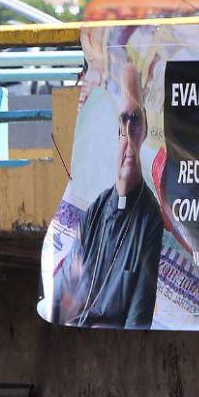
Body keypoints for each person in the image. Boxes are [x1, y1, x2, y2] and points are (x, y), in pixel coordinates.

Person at [52, 59, 163, 328]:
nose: (127, 133)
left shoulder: (148, 218)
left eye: (134, 121)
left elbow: (140, 311)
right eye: (121, 123)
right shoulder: (97, 209)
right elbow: (66, 286)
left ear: (144, 130)